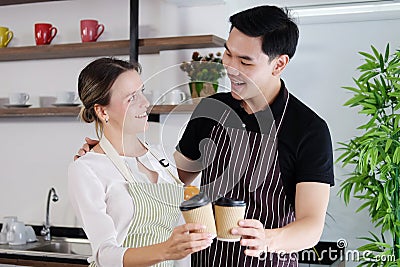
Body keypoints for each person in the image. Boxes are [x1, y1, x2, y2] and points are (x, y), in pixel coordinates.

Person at [76, 5, 334, 267]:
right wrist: (111, 155)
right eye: (228, 54)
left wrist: (267, 240)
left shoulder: (309, 130)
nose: (230, 68)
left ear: (279, 63)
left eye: (244, 61)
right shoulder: (210, 110)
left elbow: (311, 227)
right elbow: (172, 182)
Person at [68, 57, 214, 267]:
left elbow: (182, 237)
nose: (145, 103)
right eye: (131, 98)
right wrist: (165, 251)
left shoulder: (160, 157)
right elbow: (104, 254)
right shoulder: (87, 169)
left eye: (142, 92)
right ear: (102, 111)